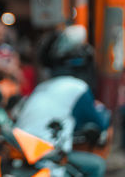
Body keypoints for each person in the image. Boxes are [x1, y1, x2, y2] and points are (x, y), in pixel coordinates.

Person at [14, 25, 110, 177]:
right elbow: (100, 123)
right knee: (97, 165)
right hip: (48, 160)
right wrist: (102, 110)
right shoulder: (77, 88)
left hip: (23, 157)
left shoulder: (42, 87)